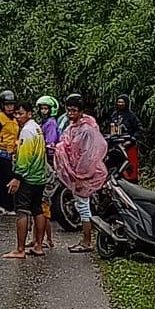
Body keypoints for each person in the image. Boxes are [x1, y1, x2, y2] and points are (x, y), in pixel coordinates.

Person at [53, 93, 108, 253]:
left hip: (83, 174)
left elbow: (87, 155)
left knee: (83, 207)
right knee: (81, 205)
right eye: (69, 110)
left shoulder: (86, 130)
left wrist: (79, 176)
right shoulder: (74, 127)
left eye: (74, 111)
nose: (71, 114)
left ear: (81, 111)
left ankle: (86, 241)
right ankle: (85, 239)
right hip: (75, 171)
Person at [4, 103, 49, 259]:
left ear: (29, 114)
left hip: (28, 177)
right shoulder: (37, 128)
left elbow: (24, 157)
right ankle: (38, 245)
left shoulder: (26, 132)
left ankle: (20, 249)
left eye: (21, 113)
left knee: (22, 211)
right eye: (16, 113)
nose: (17, 116)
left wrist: (17, 177)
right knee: (37, 209)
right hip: (40, 177)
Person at [35, 96, 60, 250]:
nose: (43, 111)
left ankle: (46, 240)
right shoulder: (43, 123)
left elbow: (49, 144)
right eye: (41, 108)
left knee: (43, 205)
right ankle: (44, 239)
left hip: (49, 163)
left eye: (46, 108)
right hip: (43, 161)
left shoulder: (50, 123)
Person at [106, 93, 143, 181]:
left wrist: (132, 139)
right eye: (118, 102)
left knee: (130, 167)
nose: (120, 104)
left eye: (122, 102)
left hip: (129, 145)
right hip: (116, 146)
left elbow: (139, 129)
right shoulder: (114, 115)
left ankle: (132, 184)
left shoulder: (131, 116)